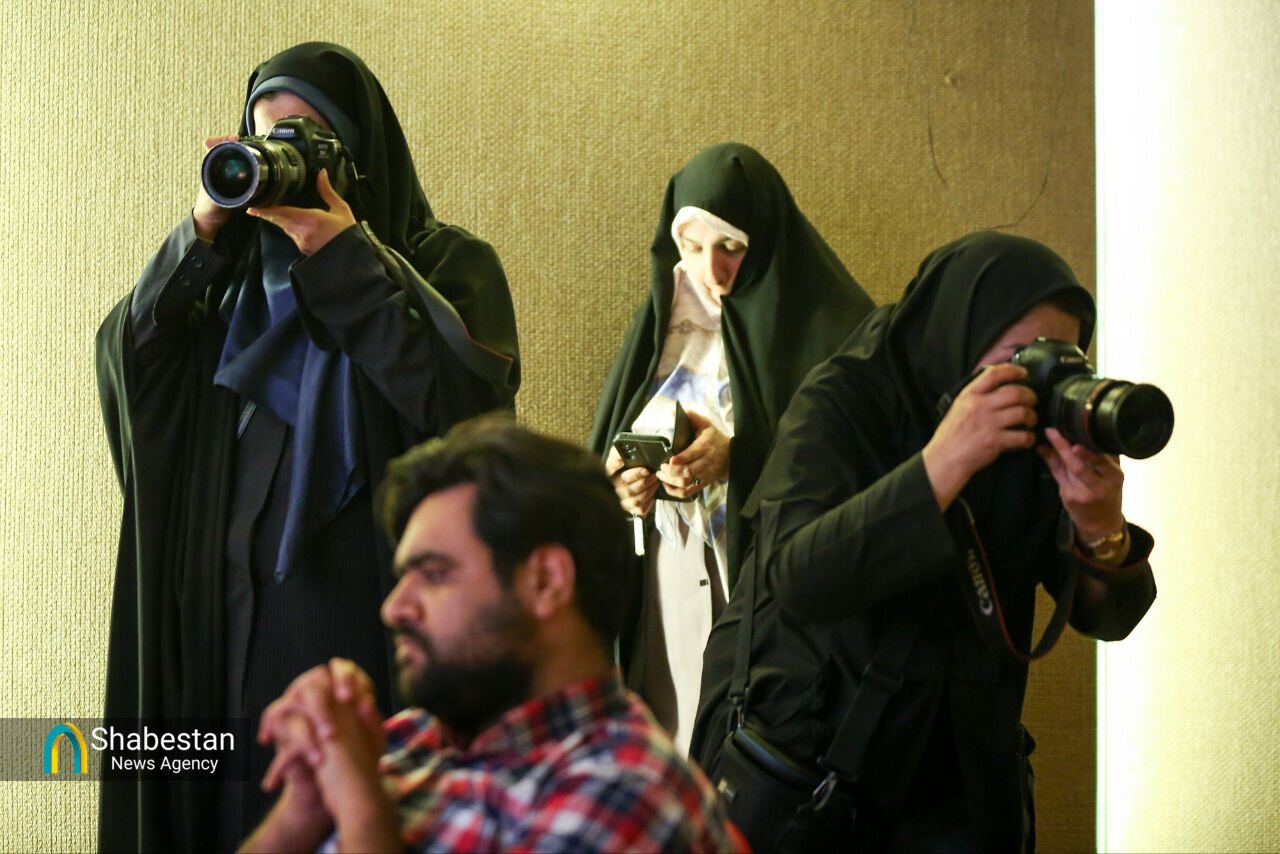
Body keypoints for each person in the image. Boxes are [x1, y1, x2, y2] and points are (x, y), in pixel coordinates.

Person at [95, 43, 519, 852]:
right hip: (219, 636)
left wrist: (347, 260)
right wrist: (199, 233)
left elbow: (465, 412)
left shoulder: (443, 265)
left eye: (304, 138)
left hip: (359, 643)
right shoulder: (223, 288)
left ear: (356, 154)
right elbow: (131, 361)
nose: (280, 157)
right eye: (263, 138)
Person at [691, 231, 1158, 851]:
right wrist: (943, 465)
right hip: (813, 758)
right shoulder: (844, 399)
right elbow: (800, 578)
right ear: (957, 328)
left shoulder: (1035, 432)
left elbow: (1112, 618)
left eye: (1061, 357)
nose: (1038, 379)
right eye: (1022, 356)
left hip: (956, 776)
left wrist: (1101, 528)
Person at [238, 418, 745, 852]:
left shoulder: (627, 796)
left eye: (434, 574)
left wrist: (360, 808)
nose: (394, 608)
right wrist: (303, 807)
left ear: (545, 582)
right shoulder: (411, 739)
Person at [589, 142, 874, 754]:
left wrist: (740, 456)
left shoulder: (831, 324)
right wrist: (625, 487)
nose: (711, 270)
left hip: (767, 584)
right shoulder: (665, 319)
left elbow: (854, 466)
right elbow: (609, 449)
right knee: (673, 737)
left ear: (764, 240)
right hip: (667, 577)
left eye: (731, 247)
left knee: (750, 756)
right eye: (692, 247)